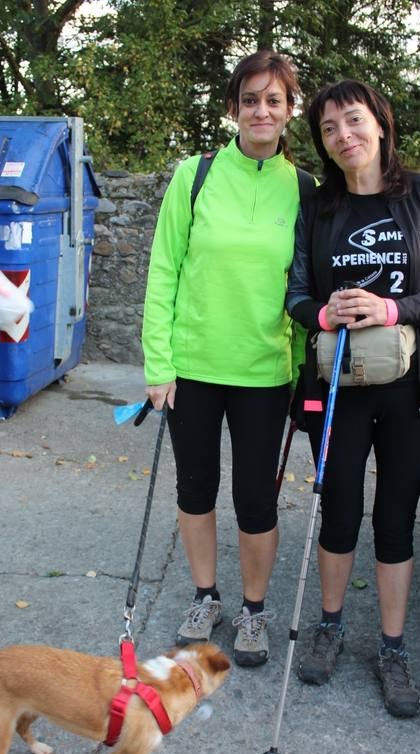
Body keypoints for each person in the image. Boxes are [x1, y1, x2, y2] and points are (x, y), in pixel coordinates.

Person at [286, 79, 420, 715]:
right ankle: (331, 626)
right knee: (338, 507)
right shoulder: (318, 207)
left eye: (355, 121)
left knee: (395, 517)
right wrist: (327, 316)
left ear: (381, 124)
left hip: (412, 389)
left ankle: (391, 647)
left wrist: (392, 308)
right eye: (330, 128)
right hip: (339, 384)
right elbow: (295, 297)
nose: (345, 136)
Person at [141, 51, 304, 666]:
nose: (260, 110)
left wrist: (305, 375)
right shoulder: (196, 174)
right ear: (233, 107)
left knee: (257, 500)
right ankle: (206, 596)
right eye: (249, 99)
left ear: (290, 110)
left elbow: (308, 290)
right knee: (195, 490)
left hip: (266, 373)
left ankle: (255, 610)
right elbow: (164, 270)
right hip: (193, 369)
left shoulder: (306, 189)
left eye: (273, 100)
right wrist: (159, 364)